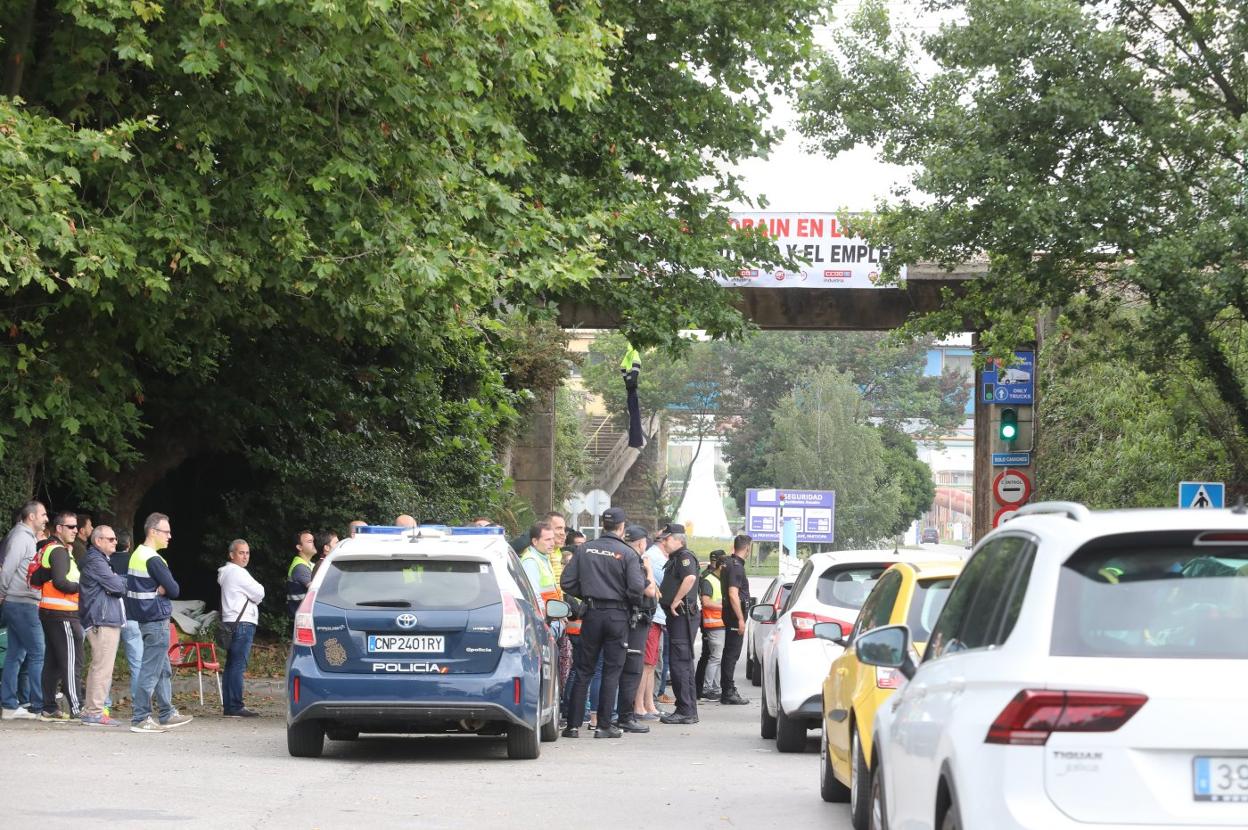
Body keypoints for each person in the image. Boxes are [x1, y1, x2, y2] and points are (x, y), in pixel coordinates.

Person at [559, 506, 643, 739]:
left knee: (584, 669)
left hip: (592, 614)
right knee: (611, 670)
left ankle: (573, 726)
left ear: (602, 525)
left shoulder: (584, 549)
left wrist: (587, 592)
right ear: (622, 526)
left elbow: (566, 582)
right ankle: (604, 725)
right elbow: (637, 588)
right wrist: (626, 600)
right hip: (617, 616)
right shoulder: (627, 553)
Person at [126, 512, 192, 733]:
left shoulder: (137, 554)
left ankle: (166, 712)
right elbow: (174, 589)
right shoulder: (153, 559)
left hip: (145, 619)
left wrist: (162, 588)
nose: (170, 536)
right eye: (166, 531)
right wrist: (163, 589)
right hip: (156, 620)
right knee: (151, 670)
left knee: (162, 669)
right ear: (153, 532)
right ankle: (140, 717)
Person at [34, 511, 85, 722]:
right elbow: (60, 583)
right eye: (70, 526)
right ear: (59, 529)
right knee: (72, 662)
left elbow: (40, 577)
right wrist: (84, 588)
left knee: (53, 663)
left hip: (50, 612)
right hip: (63, 614)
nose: (75, 530)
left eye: (76, 527)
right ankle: (77, 708)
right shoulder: (59, 552)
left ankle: (49, 707)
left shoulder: (49, 549)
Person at [0, 500, 48, 720]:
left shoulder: (24, 537)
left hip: (17, 602)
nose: (46, 519)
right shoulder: (22, 538)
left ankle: (10, 705)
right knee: (38, 652)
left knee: (15, 654)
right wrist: (1, 591)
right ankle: (39, 706)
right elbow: (8, 567)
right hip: (21, 603)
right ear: (31, 517)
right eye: (43, 515)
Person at [77, 525, 127, 726]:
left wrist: (116, 581)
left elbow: (115, 585)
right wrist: (118, 582)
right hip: (102, 619)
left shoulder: (100, 560)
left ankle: (93, 710)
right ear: (98, 541)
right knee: (102, 667)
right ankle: (94, 712)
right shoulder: (96, 561)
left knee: (100, 666)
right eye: (111, 539)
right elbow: (117, 586)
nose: (116, 542)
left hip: (103, 618)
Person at [614, 524, 658, 734]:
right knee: (632, 668)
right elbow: (650, 591)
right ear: (642, 543)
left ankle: (617, 714)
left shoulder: (620, 556)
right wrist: (649, 569)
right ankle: (625, 715)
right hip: (635, 620)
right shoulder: (635, 561)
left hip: (622, 618)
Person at [656, 523, 699, 725]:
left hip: (681, 615)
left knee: (680, 663)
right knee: (682, 663)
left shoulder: (684, 557)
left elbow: (689, 577)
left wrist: (675, 599)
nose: (664, 542)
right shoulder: (676, 558)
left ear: (679, 539)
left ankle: (685, 709)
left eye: (667, 538)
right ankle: (687, 708)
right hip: (677, 617)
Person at [218, 539, 264, 717]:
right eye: (241, 553)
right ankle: (236, 706)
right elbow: (260, 592)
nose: (245, 556)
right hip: (243, 623)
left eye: (247, 553)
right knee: (237, 666)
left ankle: (229, 706)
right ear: (232, 555)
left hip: (231, 622)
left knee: (230, 666)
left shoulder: (226, 573)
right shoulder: (238, 573)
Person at [109, 528, 143, 707]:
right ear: (129, 544)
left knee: (106, 663)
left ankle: (104, 703)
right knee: (136, 663)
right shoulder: (135, 562)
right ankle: (139, 703)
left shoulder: (106, 561)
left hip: (111, 618)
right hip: (131, 617)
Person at [718, 534, 753, 705]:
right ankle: (728, 691)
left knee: (728, 654)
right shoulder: (737, 567)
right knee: (732, 655)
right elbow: (733, 594)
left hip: (729, 614)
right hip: (734, 616)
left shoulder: (728, 563)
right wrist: (740, 619)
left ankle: (727, 688)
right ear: (747, 548)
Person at [696, 550, 727, 702]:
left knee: (718, 658)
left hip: (719, 624)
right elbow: (706, 602)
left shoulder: (718, 579)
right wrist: (725, 607)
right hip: (713, 624)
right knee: (715, 658)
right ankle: (708, 689)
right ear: (721, 567)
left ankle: (715, 688)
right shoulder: (709, 579)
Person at [519, 521, 561, 609]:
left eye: (553, 539)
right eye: (548, 539)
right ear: (535, 541)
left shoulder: (543, 557)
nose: (552, 543)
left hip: (553, 615)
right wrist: (544, 617)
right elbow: (534, 596)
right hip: (545, 617)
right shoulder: (531, 561)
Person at [286, 530, 315, 616]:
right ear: (299, 547)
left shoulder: (309, 564)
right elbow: (316, 590)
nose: (313, 544)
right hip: (303, 617)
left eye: (313, 541)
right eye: (310, 541)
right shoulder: (300, 567)